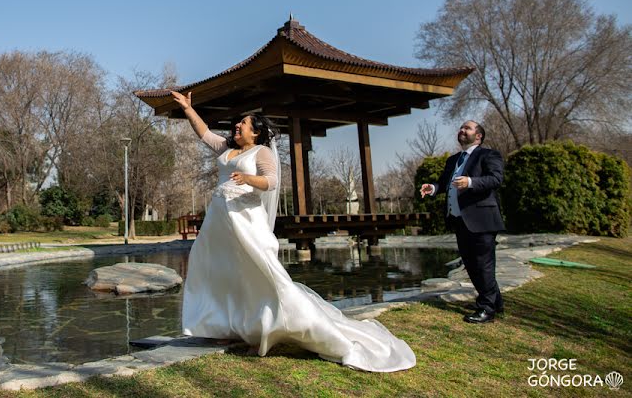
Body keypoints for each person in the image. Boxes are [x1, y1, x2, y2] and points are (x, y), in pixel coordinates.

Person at [172, 91, 416, 372]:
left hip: (245, 220)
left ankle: (262, 331)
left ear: (257, 131)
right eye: (237, 124)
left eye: (243, 123)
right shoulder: (226, 148)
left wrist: (249, 178)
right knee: (221, 271)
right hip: (219, 221)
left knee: (256, 273)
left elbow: (272, 181)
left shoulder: (260, 152)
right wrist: (189, 109)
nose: (237, 126)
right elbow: (203, 133)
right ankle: (224, 327)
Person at [420, 120, 505, 323]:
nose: (462, 130)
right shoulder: (453, 160)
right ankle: (496, 302)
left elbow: (496, 179)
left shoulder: (488, 155)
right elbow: (444, 183)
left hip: (482, 220)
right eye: (461, 128)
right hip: (459, 220)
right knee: (471, 264)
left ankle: (486, 308)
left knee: (483, 265)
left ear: (478, 136)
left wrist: (471, 182)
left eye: (467, 128)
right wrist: (433, 188)